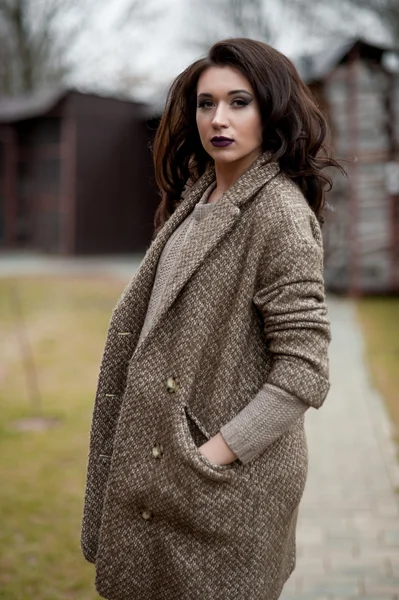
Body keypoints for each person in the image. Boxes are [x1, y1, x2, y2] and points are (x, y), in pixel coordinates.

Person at [81, 38, 343, 600]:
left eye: (239, 102)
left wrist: (207, 456)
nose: (218, 118)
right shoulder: (196, 199)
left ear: (271, 112)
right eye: (206, 103)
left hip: (224, 495)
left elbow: (305, 369)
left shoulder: (278, 213)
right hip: (162, 483)